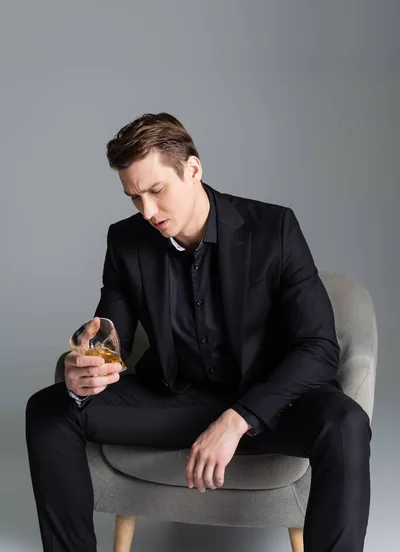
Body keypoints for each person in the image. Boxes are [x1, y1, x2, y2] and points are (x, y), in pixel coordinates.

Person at [26, 112, 371, 552]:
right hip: (177, 399)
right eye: (134, 197)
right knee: (50, 409)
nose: (147, 211)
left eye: (156, 190)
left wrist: (238, 418)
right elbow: (113, 339)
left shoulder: (274, 229)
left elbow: (319, 348)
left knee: (345, 422)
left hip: (271, 405)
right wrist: (89, 365)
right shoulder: (126, 241)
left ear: (192, 170)